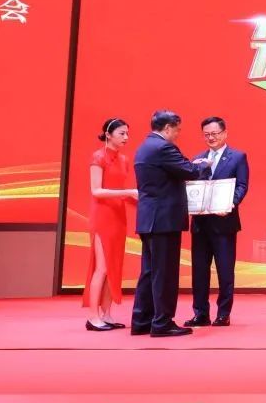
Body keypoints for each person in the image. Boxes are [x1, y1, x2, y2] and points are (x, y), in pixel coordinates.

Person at [132, 110, 212, 338]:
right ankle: (162, 323)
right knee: (165, 274)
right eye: (177, 129)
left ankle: (141, 320)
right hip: (164, 220)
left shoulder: (144, 146)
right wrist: (204, 164)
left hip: (149, 219)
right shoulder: (164, 147)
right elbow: (189, 171)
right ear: (167, 128)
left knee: (149, 272)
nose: (178, 134)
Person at [185, 117, 249, 328]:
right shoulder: (198, 159)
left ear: (224, 133)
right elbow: (193, 187)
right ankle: (200, 313)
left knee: (225, 271)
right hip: (200, 223)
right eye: (207, 134)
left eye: (214, 133)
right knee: (199, 271)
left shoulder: (237, 157)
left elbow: (242, 186)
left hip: (224, 222)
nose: (211, 138)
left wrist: (230, 204)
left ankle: (223, 313)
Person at [84, 118, 138, 331]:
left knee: (113, 266)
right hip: (102, 216)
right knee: (102, 267)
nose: (126, 137)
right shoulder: (98, 157)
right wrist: (128, 192)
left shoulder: (124, 159)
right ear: (108, 134)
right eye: (122, 133)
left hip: (118, 215)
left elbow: (119, 191)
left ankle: (106, 314)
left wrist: (137, 200)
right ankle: (93, 316)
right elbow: (96, 191)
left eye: (127, 133)